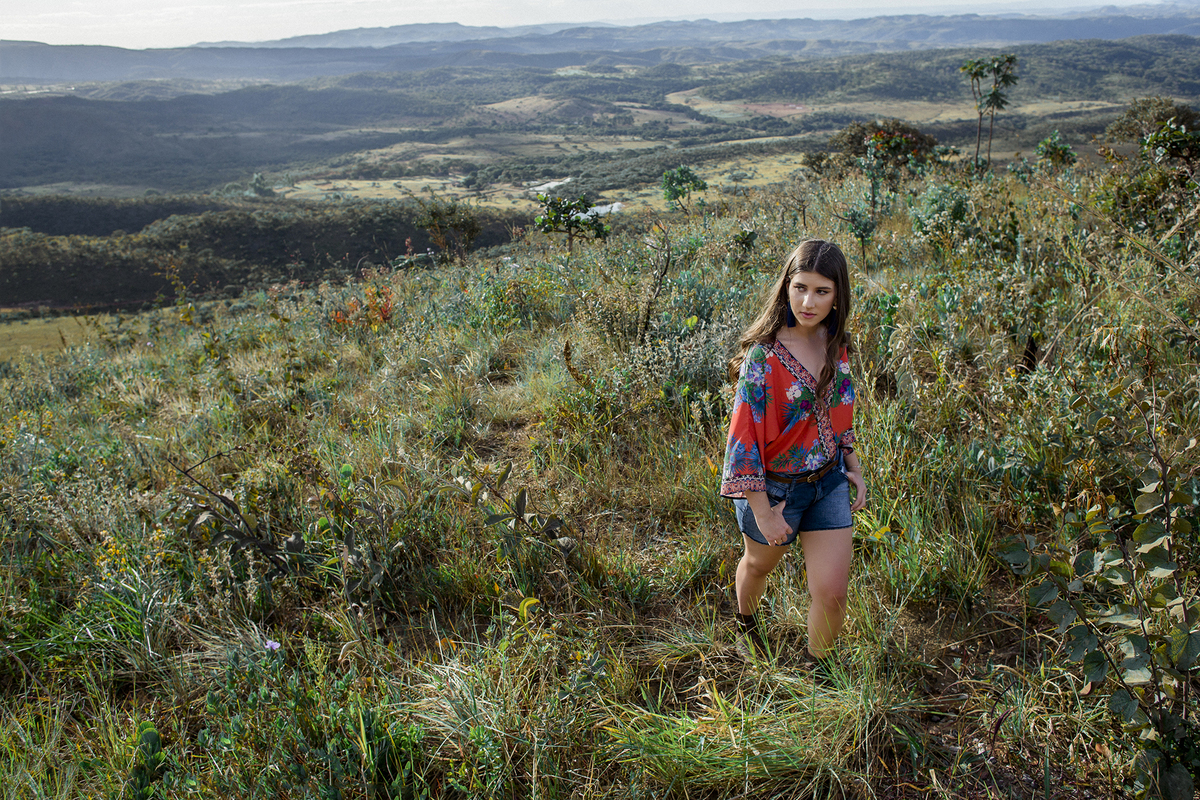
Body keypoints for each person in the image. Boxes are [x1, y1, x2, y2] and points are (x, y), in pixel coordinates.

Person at [720, 239, 866, 667]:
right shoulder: (763, 356)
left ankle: (817, 673)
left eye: (822, 291)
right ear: (786, 286)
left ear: (838, 294)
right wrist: (763, 511)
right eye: (800, 287)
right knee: (758, 566)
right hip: (776, 492)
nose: (808, 301)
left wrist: (851, 463)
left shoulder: (833, 341)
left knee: (833, 593)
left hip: (829, 482)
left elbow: (840, 406)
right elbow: (742, 438)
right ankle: (746, 622)